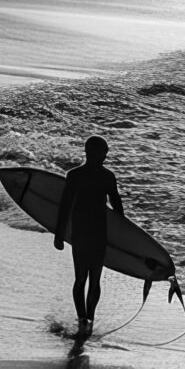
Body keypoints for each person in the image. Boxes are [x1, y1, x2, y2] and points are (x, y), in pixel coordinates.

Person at [54, 135, 125, 336]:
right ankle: (85, 319)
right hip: (93, 232)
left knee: (85, 278)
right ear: (92, 153)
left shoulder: (77, 175)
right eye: (102, 153)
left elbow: (65, 208)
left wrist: (59, 234)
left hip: (85, 231)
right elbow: (117, 207)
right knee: (89, 278)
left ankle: (85, 319)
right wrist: (58, 235)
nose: (103, 157)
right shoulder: (102, 176)